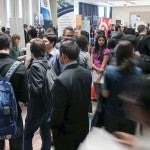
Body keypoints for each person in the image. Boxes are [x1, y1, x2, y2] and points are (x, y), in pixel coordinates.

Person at [51, 39, 92, 150]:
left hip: (65, 133)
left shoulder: (60, 80)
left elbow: (58, 111)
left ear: (63, 56)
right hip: (82, 127)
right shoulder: (87, 73)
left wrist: (53, 128)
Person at [102, 41, 142, 134]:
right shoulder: (138, 72)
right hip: (130, 116)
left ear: (117, 54)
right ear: (132, 54)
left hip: (112, 113)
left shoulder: (109, 70)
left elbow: (105, 94)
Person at [0, 32, 27, 150]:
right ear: (10, 45)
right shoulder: (19, 67)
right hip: (13, 112)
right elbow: (26, 97)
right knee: (16, 145)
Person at [24, 38, 51, 150]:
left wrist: (27, 87)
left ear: (32, 51)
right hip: (47, 106)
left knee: (27, 135)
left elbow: (36, 89)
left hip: (36, 109)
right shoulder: (47, 62)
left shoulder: (35, 66)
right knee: (45, 134)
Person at [114, 75, 150, 150]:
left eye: (129, 103)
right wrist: (135, 141)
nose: (126, 108)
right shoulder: (141, 121)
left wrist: (137, 144)